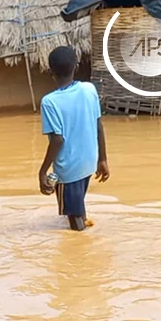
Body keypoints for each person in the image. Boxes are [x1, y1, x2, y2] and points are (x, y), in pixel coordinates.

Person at [38, 46, 109, 231]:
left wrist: (42, 171)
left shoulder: (50, 101)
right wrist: (102, 159)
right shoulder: (89, 89)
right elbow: (98, 125)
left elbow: (57, 140)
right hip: (89, 161)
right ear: (76, 67)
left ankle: (81, 253)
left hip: (68, 170)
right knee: (78, 206)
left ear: (49, 70)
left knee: (74, 220)